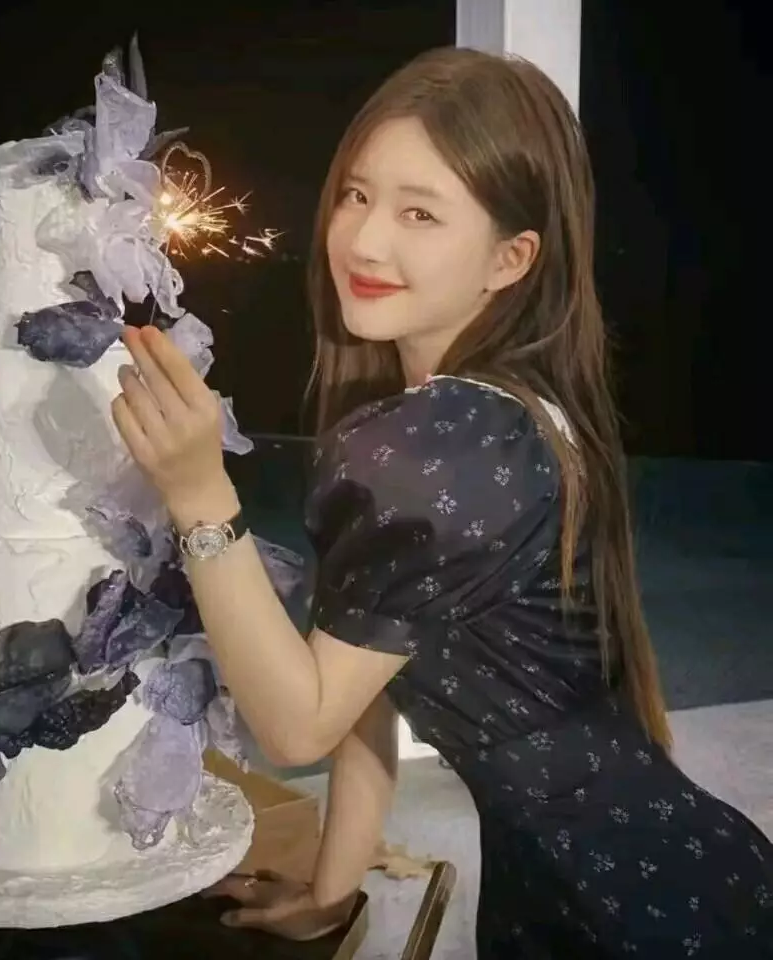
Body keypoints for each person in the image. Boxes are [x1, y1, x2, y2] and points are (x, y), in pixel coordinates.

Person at [110, 47, 773, 958]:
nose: (364, 241)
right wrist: (330, 894)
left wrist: (199, 497)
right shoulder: (521, 411)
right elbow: (363, 691)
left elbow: (298, 725)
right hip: (654, 875)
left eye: (420, 212)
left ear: (510, 258)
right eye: (356, 195)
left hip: (620, 918)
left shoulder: (437, 445)